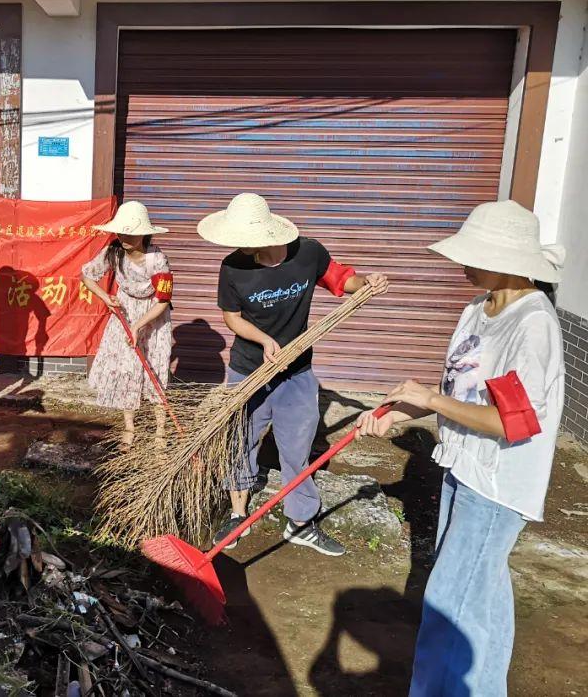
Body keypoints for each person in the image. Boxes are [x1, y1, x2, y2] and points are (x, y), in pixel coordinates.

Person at [357, 200, 565, 697]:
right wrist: (400, 413)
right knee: (484, 597)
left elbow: (513, 422)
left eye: (472, 255)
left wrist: (429, 398)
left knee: (450, 603)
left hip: (495, 484)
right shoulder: (479, 309)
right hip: (462, 468)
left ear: (505, 259)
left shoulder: (531, 325)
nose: (461, 264)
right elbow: (459, 393)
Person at [198, 193, 389, 555]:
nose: (241, 245)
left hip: (297, 370)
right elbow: (232, 317)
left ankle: (300, 521)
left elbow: (341, 279)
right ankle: (238, 513)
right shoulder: (233, 267)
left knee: (298, 445)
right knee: (241, 440)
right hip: (248, 369)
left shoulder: (308, 253)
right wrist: (264, 339)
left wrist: (366, 282)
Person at [82, 201, 174, 449]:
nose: (124, 237)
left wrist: (139, 326)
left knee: (155, 369)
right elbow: (87, 275)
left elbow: (163, 301)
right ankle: (129, 428)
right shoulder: (113, 253)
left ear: (144, 233)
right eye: (121, 231)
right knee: (127, 369)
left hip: (153, 317)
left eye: (130, 232)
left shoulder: (157, 260)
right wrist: (106, 297)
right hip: (124, 313)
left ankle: (160, 432)